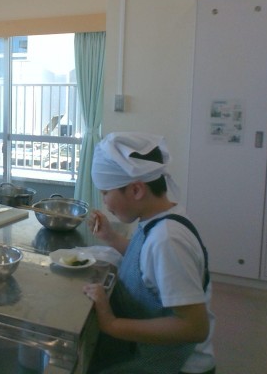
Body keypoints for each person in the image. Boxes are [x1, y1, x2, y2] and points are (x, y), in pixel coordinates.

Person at [83, 132, 216, 374]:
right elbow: (145, 261)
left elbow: (194, 327)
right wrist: (111, 238)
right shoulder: (160, 219)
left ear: (136, 190)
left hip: (178, 365)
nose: (105, 203)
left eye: (105, 193)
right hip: (153, 351)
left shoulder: (168, 240)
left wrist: (111, 323)